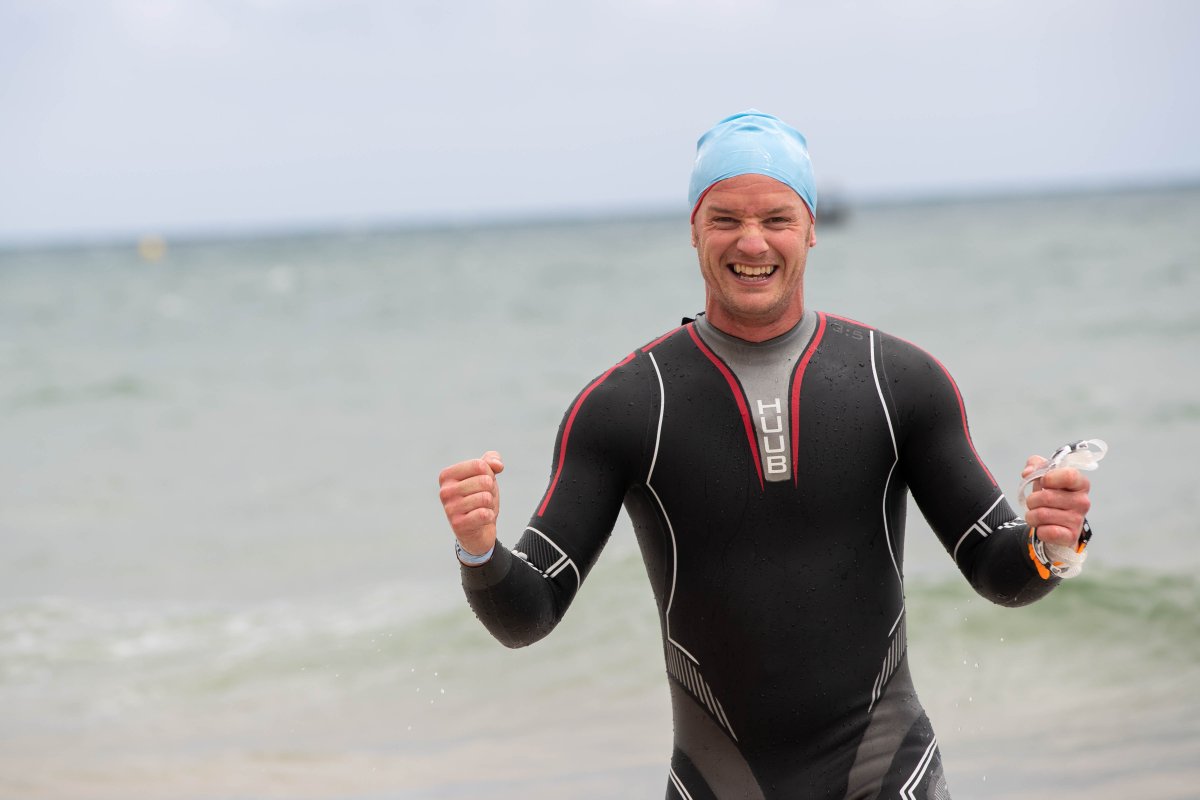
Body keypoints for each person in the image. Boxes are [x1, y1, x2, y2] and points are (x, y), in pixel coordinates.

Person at [437, 110, 1093, 799]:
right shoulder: (626, 407)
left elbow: (998, 569)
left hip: (889, 777)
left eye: (777, 218)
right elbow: (529, 612)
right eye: (725, 219)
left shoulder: (896, 381)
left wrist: (1053, 541)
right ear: (693, 228)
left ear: (811, 227)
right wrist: (480, 549)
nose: (752, 242)